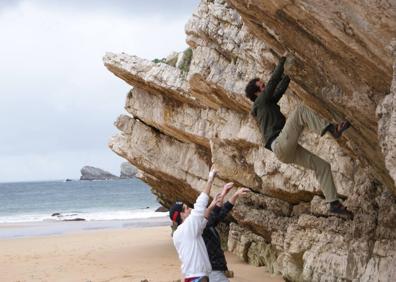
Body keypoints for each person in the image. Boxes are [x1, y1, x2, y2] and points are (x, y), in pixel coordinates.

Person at [244, 52, 353, 219]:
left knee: (323, 166)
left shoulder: (267, 103)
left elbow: (279, 88)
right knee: (300, 110)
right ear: (257, 94)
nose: (265, 86)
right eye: (262, 86)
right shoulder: (260, 103)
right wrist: (282, 60)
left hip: (285, 151)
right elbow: (274, 82)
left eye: (263, 84)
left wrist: (290, 74)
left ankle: (334, 203)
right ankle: (332, 129)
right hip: (280, 144)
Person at [169, 167, 219, 282]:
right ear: (181, 215)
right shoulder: (188, 227)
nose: (190, 209)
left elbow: (202, 223)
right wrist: (210, 179)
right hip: (198, 277)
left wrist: (211, 206)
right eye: (186, 209)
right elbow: (200, 205)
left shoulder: (179, 233)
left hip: (192, 277)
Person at [203, 183, 250, 282]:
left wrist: (231, 194)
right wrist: (228, 194)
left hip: (215, 270)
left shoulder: (208, 225)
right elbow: (215, 212)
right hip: (213, 271)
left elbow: (222, 210)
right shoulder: (201, 228)